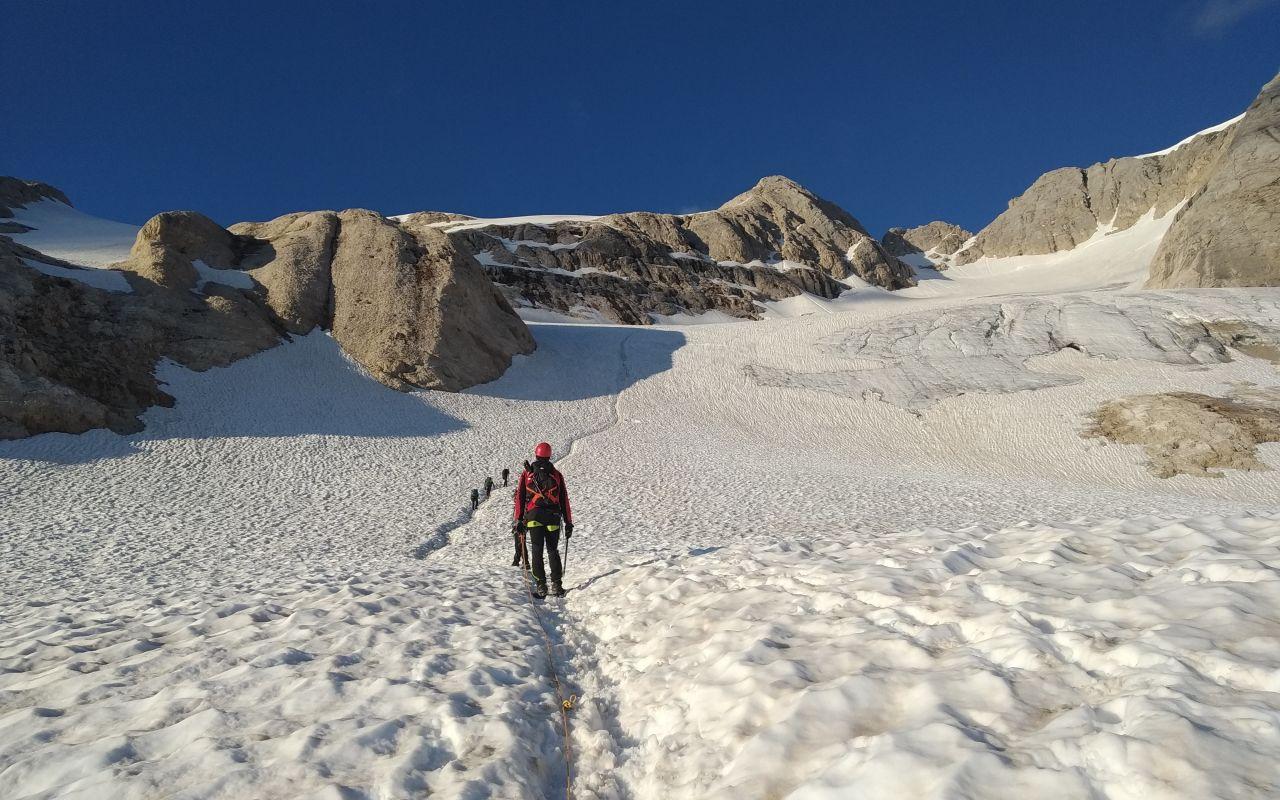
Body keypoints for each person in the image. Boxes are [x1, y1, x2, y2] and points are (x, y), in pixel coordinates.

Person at [513, 441, 574, 598]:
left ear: (536, 454)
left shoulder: (527, 475)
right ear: (549, 455)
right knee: (553, 550)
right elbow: (564, 499)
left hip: (534, 518)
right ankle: (556, 585)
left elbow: (520, 498)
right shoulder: (557, 475)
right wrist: (568, 522)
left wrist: (518, 520)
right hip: (553, 518)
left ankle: (541, 586)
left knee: (537, 550)